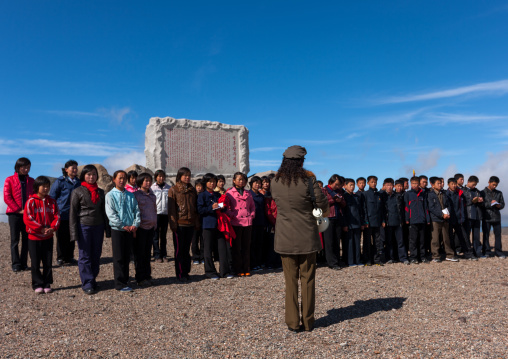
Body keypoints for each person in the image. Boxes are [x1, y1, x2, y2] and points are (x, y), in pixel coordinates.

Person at [271, 145, 328, 332]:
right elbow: (321, 205)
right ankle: (308, 322)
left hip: (284, 237)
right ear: (301, 161)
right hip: (307, 237)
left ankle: (293, 322)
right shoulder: (309, 181)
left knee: (290, 282)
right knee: (308, 280)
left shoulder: (275, 182)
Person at [70, 164, 110, 295]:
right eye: (88, 174)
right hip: (84, 226)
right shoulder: (77, 191)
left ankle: (92, 279)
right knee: (85, 255)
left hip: (98, 226)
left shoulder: (100, 192)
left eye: (93, 174)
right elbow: (73, 213)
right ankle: (87, 282)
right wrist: (73, 233)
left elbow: (104, 212)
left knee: (96, 254)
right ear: (83, 176)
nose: (91, 177)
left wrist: (107, 230)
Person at [24, 176, 60, 294]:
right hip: (34, 237)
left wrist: (52, 228)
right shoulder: (31, 201)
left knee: (47, 261)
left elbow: (57, 216)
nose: (46, 188)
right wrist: (40, 229)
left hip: (48, 237)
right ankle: (37, 284)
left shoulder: (52, 202)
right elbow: (28, 218)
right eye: (43, 186)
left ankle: (47, 283)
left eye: (47, 186)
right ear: (36, 187)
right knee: (35, 262)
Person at [105, 170, 140, 292]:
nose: (122, 180)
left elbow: (136, 210)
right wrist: (122, 225)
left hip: (129, 230)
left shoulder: (130, 195)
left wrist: (135, 224)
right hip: (118, 230)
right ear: (114, 179)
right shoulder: (110, 195)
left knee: (127, 256)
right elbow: (111, 214)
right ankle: (119, 283)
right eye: (119, 178)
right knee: (119, 257)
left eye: (124, 178)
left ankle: (125, 280)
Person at [197, 173, 234, 279]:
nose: (212, 183)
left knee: (222, 249)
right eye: (210, 182)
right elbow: (200, 210)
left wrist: (223, 207)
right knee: (208, 249)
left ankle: (225, 271)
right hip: (207, 225)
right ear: (205, 183)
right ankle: (210, 272)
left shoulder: (217, 195)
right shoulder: (202, 195)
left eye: (214, 181)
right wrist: (211, 207)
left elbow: (225, 208)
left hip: (219, 225)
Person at [4, 157, 34, 272]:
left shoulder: (32, 181)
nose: (26, 169)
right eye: (24, 167)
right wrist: (18, 210)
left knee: (27, 239)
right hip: (14, 214)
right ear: (18, 167)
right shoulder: (9, 180)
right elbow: (7, 197)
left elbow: (34, 197)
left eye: (28, 167)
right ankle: (16, 264)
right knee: (15, 240)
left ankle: (24, 263)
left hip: (27, 214)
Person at [168, 167, 198, 282]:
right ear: (179, 176)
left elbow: (195, 208)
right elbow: (171, 210)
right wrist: (173, 224)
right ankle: (180, 273)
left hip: (190, 224)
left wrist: (196, 222)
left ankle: (186, 272)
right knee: (179, 251)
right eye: (185, 175)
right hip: (179, 225)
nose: (187, 177)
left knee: (186, 250)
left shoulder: (192, 190)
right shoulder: (173, 190)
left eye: (189, 175)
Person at [50, 159, 81, 266]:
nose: (75, 170)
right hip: (62, 213)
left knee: (72, 236)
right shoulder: (60, 181)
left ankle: (70, 257)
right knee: (61, 237)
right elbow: (53, 197)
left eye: (76, 168)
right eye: (73, 168)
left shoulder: (78, 182)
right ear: (66, 169)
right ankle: (60, 257)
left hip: (74, 214)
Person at [225, 172, 255, 277]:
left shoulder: (248, 193)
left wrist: (251, 215)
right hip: (236, 222)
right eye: (239, 179)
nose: (241, 181)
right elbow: (226, 207)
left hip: (247, 222)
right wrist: (232, 215)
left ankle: (246, 268)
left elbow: (252, 206)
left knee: (246, 247)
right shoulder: (229, 192)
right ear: (234, 180)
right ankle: (238, 269)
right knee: (237, 247)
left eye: (243, 179)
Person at [133, 173, 157, 286]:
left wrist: (155, 224)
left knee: (148, 253)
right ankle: (140, 277)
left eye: (149, 180)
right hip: (141, 228)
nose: (148, 183)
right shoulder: (136, 195)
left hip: (151, 227)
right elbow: (134, 212)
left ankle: (147, 275)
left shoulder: (152, 195)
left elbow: (154, 210)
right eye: (146, 180)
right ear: (140, 182)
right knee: (140, 253)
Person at [446, 178, 477, 261]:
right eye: (452, 184)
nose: (454, 185)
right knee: (450, 238)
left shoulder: (460, 193)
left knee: (464, 237)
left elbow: (464, 205)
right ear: (448, 184)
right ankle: (453, 254)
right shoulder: (446, 194)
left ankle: (468, 254)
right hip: (449, 219)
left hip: (459, 218)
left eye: (455, 184)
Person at [427, 177, 456, 262]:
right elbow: (431, 208)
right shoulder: (430, 194)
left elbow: (448, 205)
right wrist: (441, 215)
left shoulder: (444, 194)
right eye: (438, 183)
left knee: (446, 238)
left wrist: (448, 213)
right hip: (435, 219)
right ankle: (435, 256)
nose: (440, 185)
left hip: (445, 219)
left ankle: (449, 255)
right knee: (435, 239)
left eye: (441, 183)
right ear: (432, 184)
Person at [321, 174, 346, 270]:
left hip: (338, 217)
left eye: (339, 184)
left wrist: (340, 201)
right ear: (330, 182)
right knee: (329, 241)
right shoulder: (323, 190)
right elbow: (321, 203)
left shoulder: (339, 191)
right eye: (336, 184)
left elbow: (344, 204)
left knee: (336, 240)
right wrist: (333, 200)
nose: (338, 186)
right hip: (328, 218)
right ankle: (331, 263)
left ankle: (337, 260)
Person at [382, 178, 408, 265]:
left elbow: (402, 209)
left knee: (400, 241)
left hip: (398, 222)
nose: (389, 187)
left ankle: (403, 258)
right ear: (384, 186)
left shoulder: (398, 196)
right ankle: (390, 258)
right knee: (389, 241)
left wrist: (403, 220)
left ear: (393, 186)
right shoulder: (382, 196)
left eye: (390, 185)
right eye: (387, 185)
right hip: (388, 222)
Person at [404, 177, 430, 264]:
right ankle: (413, 257)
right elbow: (406, 208)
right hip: (412, 220)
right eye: (413, 183)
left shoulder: (422, 194)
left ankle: (422, 256)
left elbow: (425, 207)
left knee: (422, 240)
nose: (415, 185)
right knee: (413, 240)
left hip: (422, 220)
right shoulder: (408, 194)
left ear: (419, 184)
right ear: (411, 184)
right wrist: (407, 219)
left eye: (416, 183)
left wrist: (427, 219)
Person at [481, 176, 505, 258]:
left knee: (498, 235)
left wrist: (498, 205)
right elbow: (481, 204)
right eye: (493, 184)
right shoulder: (482, 192)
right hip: (486, 216)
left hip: (497, 217)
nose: (494, 186)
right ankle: (486, 251)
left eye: (496, 185)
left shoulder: (499, 193)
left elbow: (503, 204)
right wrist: (490, 204)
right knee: (486, 235)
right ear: (489, 182)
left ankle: (498, 252)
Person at [342, 178, 365, 266]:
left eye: (353, 185)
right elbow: (343, 212)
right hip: (349, 224)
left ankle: (358, 260)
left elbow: (361, 211)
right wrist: (345, 224)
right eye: (350, 185)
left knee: (357, 243)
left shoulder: (356, 197)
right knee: (350, 244)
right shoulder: (344, 196)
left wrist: (362, 223)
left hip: (357, 223)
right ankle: (350, 261)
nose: (352, 187)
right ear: (345, 186)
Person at [363, 175, 385, 266]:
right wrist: (366, 221)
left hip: (378, 221)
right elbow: (364, 209)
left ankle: (376, 259)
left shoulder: (379, 194)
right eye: (372, 182)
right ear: (368, 183)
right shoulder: (366, 194)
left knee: (377, 242)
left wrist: (383, 220)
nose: (374, 183)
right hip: (369, 222)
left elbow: (382, 209)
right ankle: (367, 260)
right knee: (367, 242)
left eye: (375, 182)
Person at [151, 170, 171, 263]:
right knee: (155, 235)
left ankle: (164, 254)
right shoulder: (152, 188)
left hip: (165, 214)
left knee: (163, 236)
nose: (161, 178)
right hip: (156, 214)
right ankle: (157, 254)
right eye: (159, 176)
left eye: (162, 176)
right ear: (156, 177)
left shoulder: (169, 188)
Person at [463, 176, 484, 258]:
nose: (474, 186)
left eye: (475, 184)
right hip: (468, 215)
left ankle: (477, 252)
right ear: (468, 182)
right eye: (473, 184)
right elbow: (463, 203)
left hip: (477, 216)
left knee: (476, 236)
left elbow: (482, 204)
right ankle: (467, 252)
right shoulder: (463, 191)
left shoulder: (477, 191)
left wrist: (481, 201)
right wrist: (472, 201)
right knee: (467, 235)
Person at [249, 176, 267, 271]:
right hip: (251, 222)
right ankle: (252, 264)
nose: (257, 185)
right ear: (251, 184)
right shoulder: (248, 194)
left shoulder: (261, 196)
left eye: (259, 183)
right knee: (252, 243)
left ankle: (259, 263)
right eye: (255, 183)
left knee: (259, 243)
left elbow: (263, 210)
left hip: (260, 222)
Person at [192, 179, 205, 265]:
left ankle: (203, 256)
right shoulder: (192, 196)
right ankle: (195, 257)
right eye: (197, 186)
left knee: (203, 239)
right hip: (194, 220)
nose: (199, 188)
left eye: (200, 186)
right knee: (194, 240)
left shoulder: (205, 196)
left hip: (203, 219)